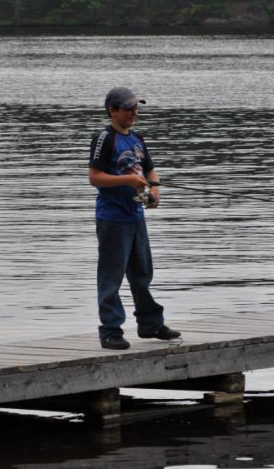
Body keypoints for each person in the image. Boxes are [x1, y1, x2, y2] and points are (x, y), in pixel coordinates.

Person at [88, 86, 181, 350]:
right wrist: (128, 179)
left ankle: (150, 324)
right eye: (128, 109)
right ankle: (110, 331)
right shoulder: (105, 138)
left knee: (142, 273)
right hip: (112, 218)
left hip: (135, 217)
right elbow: (94, 177)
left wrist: (154, 190)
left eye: (136, 108)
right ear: (112, 111)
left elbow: (150, 170)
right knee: (111, 276)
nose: (134, 113)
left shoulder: (137, 138)